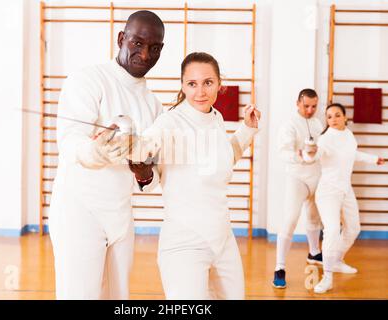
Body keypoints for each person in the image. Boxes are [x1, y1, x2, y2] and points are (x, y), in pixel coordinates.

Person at [48, 10, 165, 300]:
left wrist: (144, 173)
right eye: (137, 43)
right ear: (121, 39)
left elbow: (153, 175)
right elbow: (70, 142)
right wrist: (98, 150)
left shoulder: (154, 105)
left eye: (154, 47)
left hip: (121, 216)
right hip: (79, 211)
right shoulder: (88, 80)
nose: (144, 54)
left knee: (118, 298)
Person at [131, 52, 260, 299]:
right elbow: (144, 147)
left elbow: (222, 160)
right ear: (183, 85)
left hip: (223, 239)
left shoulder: (216, 117)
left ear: (219, 84)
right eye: (192, 84)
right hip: (184, 244)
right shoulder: (169, 123)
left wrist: (247, 130)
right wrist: (135, 158)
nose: (200, 91)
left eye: (207, 83)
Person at [302, 103, 385, 294]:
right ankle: (327, 276)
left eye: (337, 115)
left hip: (345, 189)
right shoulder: (324, 139)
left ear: (345, 117)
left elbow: (351, 154)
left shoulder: (348, 135)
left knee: (354, 228)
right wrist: (309, 152)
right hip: (328, 192)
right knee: (332, 230)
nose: (333, 119)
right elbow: (313, 155)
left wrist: (373, 159)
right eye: (329, 116)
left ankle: (337, 260)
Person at [273, 89, 324, 289]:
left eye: (314, 106)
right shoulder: (289, 124)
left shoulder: (319, 123)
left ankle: (314, 252)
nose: (310, 110)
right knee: (290, 219)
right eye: (306, 106)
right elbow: (283, 152)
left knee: (314, 218)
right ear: (298, 103)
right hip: (297, 177)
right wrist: (300, 155)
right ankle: (279, 267)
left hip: (317, 176)